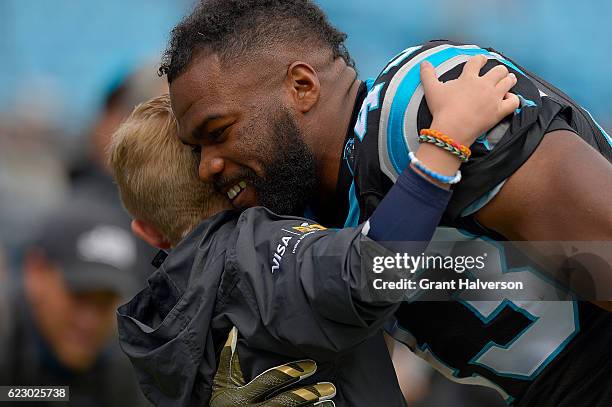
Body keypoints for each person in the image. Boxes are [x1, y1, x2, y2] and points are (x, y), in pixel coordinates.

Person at [164, 1, 612, 406]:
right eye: (195, 149)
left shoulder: (423, 111)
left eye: (218, 132)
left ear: (301, 86)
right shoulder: (309, 216)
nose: (207, 166)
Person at [110, 59, 516, 406]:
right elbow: (372, 272)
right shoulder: (251, 249)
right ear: (227, 180)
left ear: (147, 232)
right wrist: (447, 140)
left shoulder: (160, 325)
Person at [0, 198, 149, 406]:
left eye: (105, 303)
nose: (89, 322)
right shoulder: (6, 333)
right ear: (35, 272)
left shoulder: (125, 368)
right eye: (79, 297)